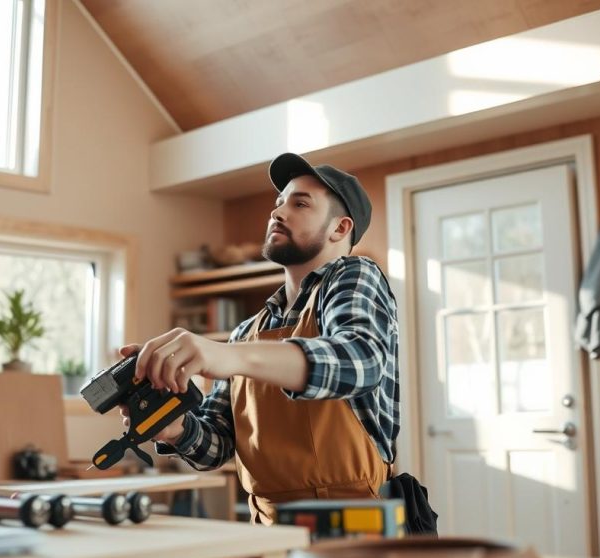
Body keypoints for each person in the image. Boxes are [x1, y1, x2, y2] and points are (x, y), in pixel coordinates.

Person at [119, 152, 399, 525]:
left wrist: (230, 357)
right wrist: (175, 428)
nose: (277, 213)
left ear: (339, 228)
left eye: (300, 203)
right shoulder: (245, 333)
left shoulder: (356, 274)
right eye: (278, 203)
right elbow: (216, 448)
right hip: (266, 526)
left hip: (353, 526)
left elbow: (359, 361)